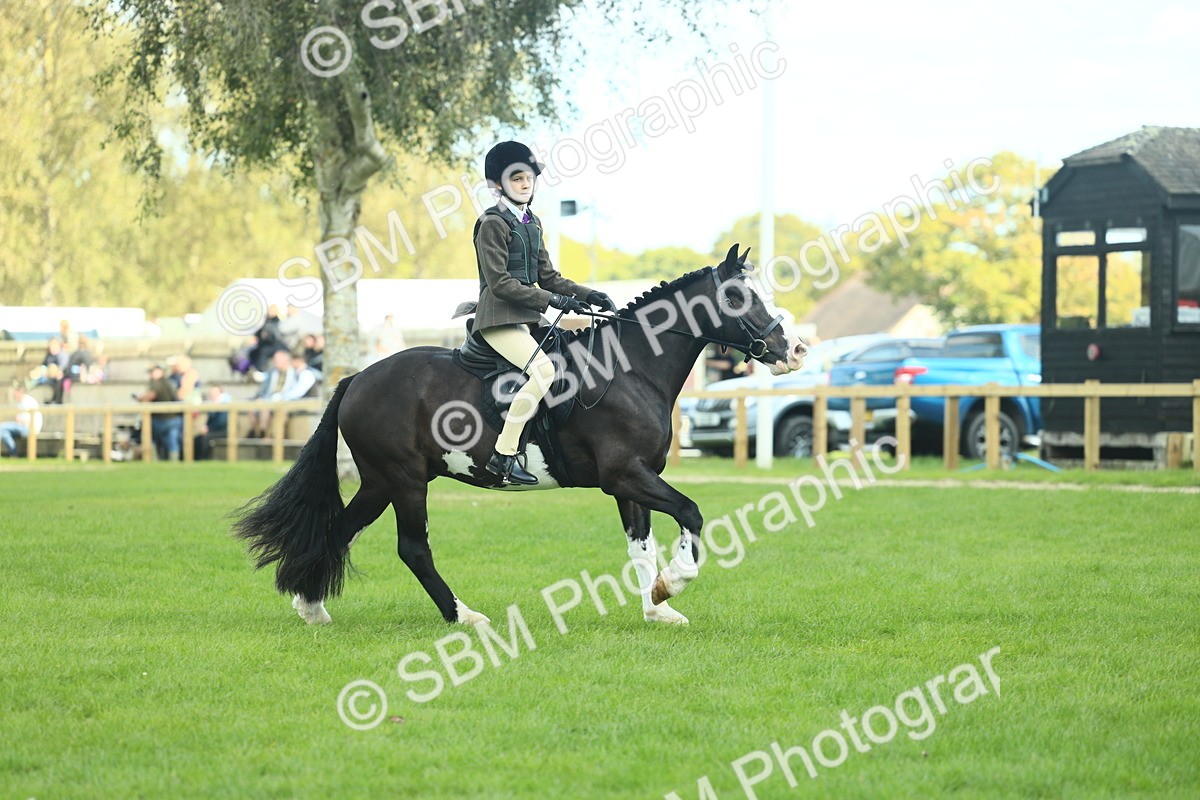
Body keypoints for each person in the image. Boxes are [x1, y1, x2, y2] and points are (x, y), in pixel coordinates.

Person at [469, 140, 617, 485]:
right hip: (498, 319)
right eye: (517, 178)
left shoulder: (531, 222)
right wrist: (551, 301)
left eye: (529, 178)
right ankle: (503, 456)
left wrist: (589, 294)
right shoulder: (491, 223)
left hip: (527, 319)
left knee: (571, 360)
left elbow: (549, 277)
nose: (525, 184)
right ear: (497, 185)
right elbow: (500, 283)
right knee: (543, 371)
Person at [137, 365, 182, 460]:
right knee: (172, 442)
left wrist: (140, 398)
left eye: (152, 372)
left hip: (161, 420)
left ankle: (152, 459)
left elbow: (150, 396)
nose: (150, 375)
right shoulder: (170, 382)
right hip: (174, 418)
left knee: (146, 433)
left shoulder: (157, 383)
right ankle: (174, 462)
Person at [1, 382, 42, 457]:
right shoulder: (20, 403)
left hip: (30, 428)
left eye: (15, 393)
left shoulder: (28, 402)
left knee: (1, 427)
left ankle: (13, 453)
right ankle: (13, 453)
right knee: (4, 432)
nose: (13, 395)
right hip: (23, 427)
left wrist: (20, 421)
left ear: (20, 391)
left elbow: (27, 421)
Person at [194, 384, 232, 460]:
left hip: (224, 431)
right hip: (214, 430)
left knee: (205, 438)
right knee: (197, 438)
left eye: (214, 393)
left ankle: (203, 459)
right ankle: (195, 460)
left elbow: (222, 422)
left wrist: (209, 428)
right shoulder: (213, 405)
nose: (212, 395)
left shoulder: (224, 404)